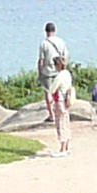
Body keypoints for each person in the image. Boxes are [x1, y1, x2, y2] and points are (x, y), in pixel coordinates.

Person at [38, 21, 73, 156]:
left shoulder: (44, 43)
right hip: (66, 97)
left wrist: (40, 71)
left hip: (48, 72)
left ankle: (51, 114)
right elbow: (66, 55)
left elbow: (41, 60)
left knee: (48, 93)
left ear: (45, 31)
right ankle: (66, 146)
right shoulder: (61, 42)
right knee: (66, 121)